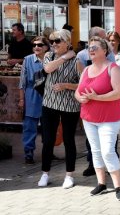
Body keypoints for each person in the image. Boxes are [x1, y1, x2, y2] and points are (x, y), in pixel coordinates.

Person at [75, 36, 120, 201]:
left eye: (95, 48)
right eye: (89, 48)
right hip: (89, 117)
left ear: (105, 50)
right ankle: (101, 184)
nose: (91, 50)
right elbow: (78, 90)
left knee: (107, 151)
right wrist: (80, 98)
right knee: (95, 150)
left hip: (109, 118)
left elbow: (119, 93)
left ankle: (118, 186)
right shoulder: (86, 69)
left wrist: (96, 97)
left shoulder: (113, 68)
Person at [37, 29, 81, 189]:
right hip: (49, 104)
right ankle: (45, 173)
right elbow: (47, 69)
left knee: (69, 140)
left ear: (68, 42)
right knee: (48, 140)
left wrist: (66, 85)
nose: (53, 44)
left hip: (69, 105)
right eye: (52, 41)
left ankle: (69, 175)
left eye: (57, 41)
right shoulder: (49, 56)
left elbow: (82, 84)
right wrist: (63, 57)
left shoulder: (77, 60)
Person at [18, 36, 50, 164]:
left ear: (46, 47)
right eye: (35, 45)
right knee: (30, 126)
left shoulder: (52, 59)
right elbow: (22, 82)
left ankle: (48, 151)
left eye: (40, 45)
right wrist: (21, 99)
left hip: (48, 95)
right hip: (32, 94)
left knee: (48, 126)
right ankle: (28, 153)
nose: (36, 47)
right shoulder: (28, 60)